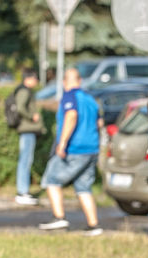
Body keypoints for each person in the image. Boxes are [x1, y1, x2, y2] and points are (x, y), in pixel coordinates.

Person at [38, 68, 103, 236]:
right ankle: (93, 226)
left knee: (51, 179)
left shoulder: (69, 96)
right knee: (83, 187)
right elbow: (99, 123)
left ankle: (59, 217)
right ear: (80, 80)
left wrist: (62, 143)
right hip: (92, 149)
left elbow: (71, 116)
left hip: (75, 148)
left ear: (64, 82)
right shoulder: (90, 99)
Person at [14, 68, 44, 206]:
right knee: (25, 160)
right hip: (27, 130)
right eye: (35, 78)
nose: (36, 81)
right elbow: (20, 107)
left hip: (28, 130)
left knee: (26, 159)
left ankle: (23, 191)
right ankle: (22, 192)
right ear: (28, 79)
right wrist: (32, 116)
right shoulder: (24, 91)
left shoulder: (25, 90)